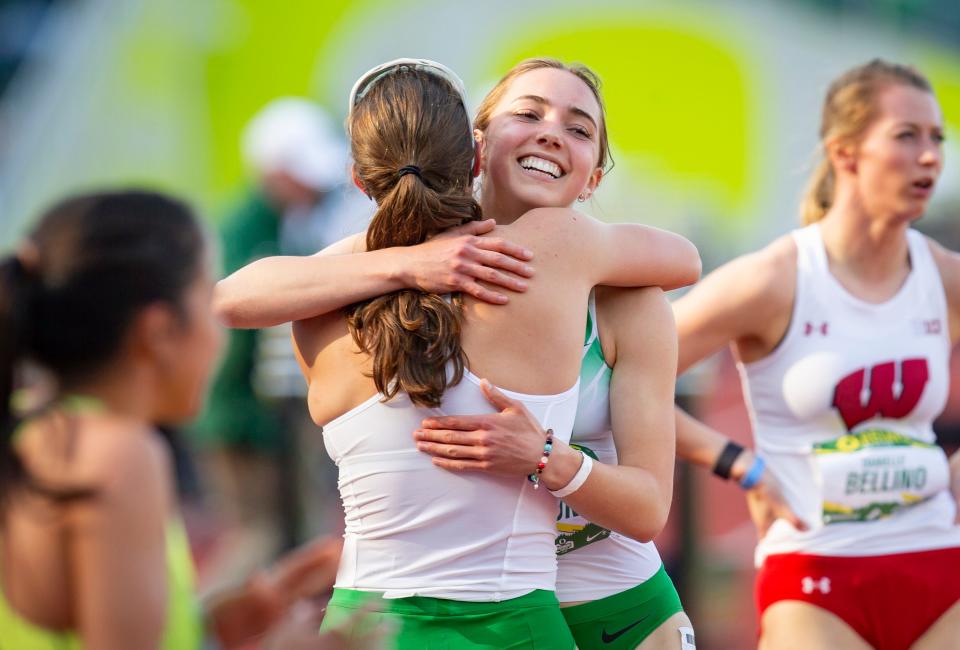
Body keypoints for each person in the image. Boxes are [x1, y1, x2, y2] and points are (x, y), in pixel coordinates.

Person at [214, 57, 699, 649]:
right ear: (477, 147)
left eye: (579, 128)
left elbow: (686, 261)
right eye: (528, 113)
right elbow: (238, 295)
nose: (551, 131)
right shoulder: (368, 272)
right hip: (509, 614)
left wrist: (547, 456)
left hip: (616, 607)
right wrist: (409, 262)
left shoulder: (612, 283)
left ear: (594, 177)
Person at [671, 59, 960, 650]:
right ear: (846, 152)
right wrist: (737, 463)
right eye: (907, 136)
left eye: (937, 139)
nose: (930, 156)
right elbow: (620, 372)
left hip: (938, 564)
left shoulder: (943, 275)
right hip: (814, 570)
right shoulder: (775, 279)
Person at [0, 191, 218, 649]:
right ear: (157, 332)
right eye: (206, 294)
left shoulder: (43, 436)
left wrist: (219, 629)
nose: (219, 331)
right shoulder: (118, 456)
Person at [194, 98, 368, 590]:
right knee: (259, 535)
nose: (312, 187)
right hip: (241, 412)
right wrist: (244, 412)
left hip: (261, 408)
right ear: (273, 171)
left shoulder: (285, 223)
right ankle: (195, 628)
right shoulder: (249, 233)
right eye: (300, 174)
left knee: (290, 538)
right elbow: (227, 341)